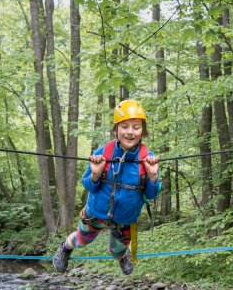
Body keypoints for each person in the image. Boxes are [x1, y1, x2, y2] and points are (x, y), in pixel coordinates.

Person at [52, 99, 161, 275]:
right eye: (124, 126)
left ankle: (122, 255)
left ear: (143, 130)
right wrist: (95, 174)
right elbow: (88, 185)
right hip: (95, 212)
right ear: (115, 129)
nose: (130, 132)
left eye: (136, 127)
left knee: (116, 252)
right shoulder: (102, 154)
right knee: (81, 240)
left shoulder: (148, 159)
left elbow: (151, 194)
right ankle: (65, 247)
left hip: (125, 218)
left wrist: (153, 176)